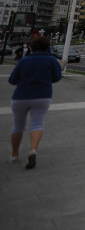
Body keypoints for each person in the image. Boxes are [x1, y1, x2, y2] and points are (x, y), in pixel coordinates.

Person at [8, 35, 62, 169]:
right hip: (43, 96)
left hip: (21, 96)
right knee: (37, 124)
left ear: (32, 47)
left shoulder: (24, 61)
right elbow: (56, 77)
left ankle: (14, 155)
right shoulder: (51, 60)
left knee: (17, 125)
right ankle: (33, 149)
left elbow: (12, 80)